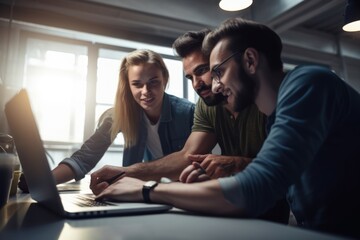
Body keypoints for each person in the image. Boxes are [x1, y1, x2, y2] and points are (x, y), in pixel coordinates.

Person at [94, 18, 360, 238]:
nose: (214, 85)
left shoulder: (308, 83)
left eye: (217, 71)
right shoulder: (274, 114)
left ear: (251, 61)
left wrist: (146, 191)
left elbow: (256, 187)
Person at [91, 29, 289, 224]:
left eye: (204, 70)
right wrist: (125, 174)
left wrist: (237, 163)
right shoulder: (207, 104)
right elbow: (187, 156)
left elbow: (281, 169)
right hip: (238, 210)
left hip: (274, 212)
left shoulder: (282, 94)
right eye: (190, 77)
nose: (197, 84)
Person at [47, 49, 195, 184]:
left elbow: (193, 162)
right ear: (128, 86)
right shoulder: (121, 115)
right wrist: (46, 182)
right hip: (148, 189)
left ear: (165, 79)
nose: (146, 91)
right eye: (137, 84)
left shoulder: (187, 112)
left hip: (183, 188)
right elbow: (85, 157)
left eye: (153, 82)